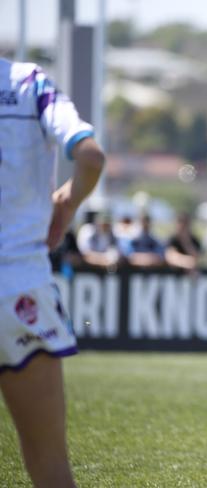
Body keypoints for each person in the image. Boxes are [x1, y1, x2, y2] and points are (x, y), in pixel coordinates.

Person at [0, 59, 104, 487]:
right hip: (22, 287)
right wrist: (66, 203)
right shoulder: (29, 82)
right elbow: (90, 155)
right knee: (49, 467)